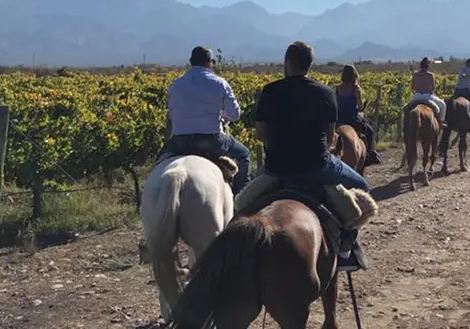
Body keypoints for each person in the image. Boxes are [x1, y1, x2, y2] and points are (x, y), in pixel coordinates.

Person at [254, 41, 371, 271]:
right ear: (309, 65)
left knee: (239, 205)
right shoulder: (326, 93)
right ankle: (346, 248)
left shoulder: (269, 91)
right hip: (318, 166)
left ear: (286, 63)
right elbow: (329, 139)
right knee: (362, 185)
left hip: (277, 168)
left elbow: (260, 134)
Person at [158, 46, 251, 192]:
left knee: (159, 162)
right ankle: (240, 200)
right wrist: (222, 114)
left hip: (180, 141)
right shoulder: (219, 83)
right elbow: (235, 114)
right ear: (210, 63)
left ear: (191, 62)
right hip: (212, 140)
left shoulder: (176, 85)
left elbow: (172, 114)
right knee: (244, 155)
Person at [335, 64, 383, 166]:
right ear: (354, 75)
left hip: (339, 118)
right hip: (352, 117)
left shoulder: (337, 88)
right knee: (370, 131)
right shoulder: (355, 88)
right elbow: (360, 107)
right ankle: (369, 155)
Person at [406, 57, 447, 127]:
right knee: (443, 105)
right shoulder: (430, 75)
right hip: (427, 97)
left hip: (417, 96)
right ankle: (441, 122)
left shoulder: (415, 75)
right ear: (428, 65)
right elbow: (433, 88)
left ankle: (404, 125)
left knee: (405, 109)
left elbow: (412, 87)